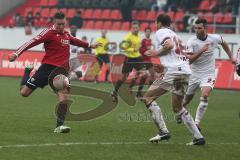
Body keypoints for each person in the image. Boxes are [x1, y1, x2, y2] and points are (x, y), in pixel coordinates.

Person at [8, 12, 101, 133]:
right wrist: (16, 53)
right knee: (24, 93)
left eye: (63, 24)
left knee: (64, 95)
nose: (61, 26)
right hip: (46, 68)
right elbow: (32, 41)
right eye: (59, 24)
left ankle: (59, 126)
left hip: (61, 71)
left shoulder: (66, 34)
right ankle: (27, 72)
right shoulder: (48, 33)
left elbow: (74, 40)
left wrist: (89, 44)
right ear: (54, 22)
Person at [143, 14, 206, 145]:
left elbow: (169, 45)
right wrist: (164, 67)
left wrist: (155, 53)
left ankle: (163, 131)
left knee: (147, 98)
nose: (156, 25)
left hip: (174, 72)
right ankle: (198, 137)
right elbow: (175, 53)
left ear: (159, 23)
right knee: (177, 108)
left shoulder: (161, 32)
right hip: (185, 72)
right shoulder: (175, 34)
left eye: (156, 23)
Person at [177, 18, 236, 129]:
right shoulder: (191, 42)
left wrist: (231, 56)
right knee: (186, 100)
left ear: (205, 28)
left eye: (199, 28)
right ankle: (181, 111)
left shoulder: (214, 38)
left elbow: (224, 43)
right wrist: (201, 50)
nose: (197, 30)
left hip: (208, 74)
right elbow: (189, 60)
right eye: (195, 28)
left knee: (204, 95)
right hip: (194, 74)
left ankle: (196, 123)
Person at [111, 20, 146, 102]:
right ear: (131, 28)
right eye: (133, 28)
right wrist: (133, 49)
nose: (135, 29)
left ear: (139, 28)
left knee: (144, 74)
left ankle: (138, 93)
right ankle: (114, 92)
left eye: (136, 28)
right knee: (123, 78)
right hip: (129, 58)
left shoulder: (138, 36)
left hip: (137, 58)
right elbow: (123, 47)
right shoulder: (128, 37)